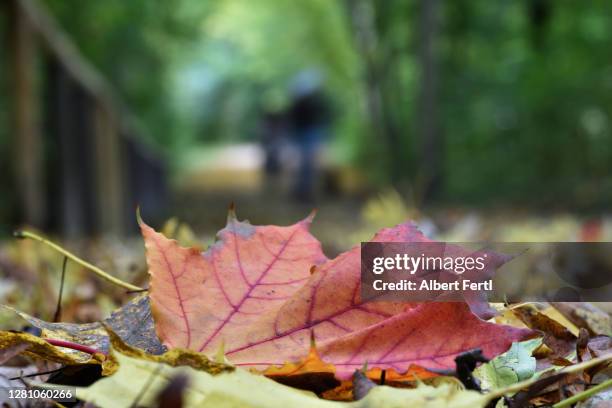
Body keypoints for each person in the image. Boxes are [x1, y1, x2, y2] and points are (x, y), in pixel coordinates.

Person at [288, 69, 331, 202]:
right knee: (307, 163)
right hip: (307, 133)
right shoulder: (308, 101)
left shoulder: (304, 101)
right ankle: (304, 190)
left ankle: (305, 190)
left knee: (307, 163)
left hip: (307, 133)